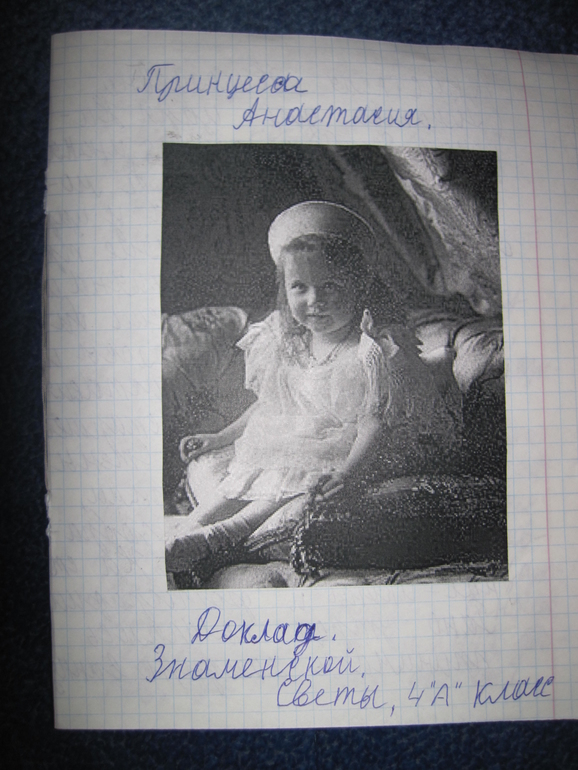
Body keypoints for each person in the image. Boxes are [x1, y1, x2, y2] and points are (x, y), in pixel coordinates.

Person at [165, 201, 446, 578]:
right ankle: (192, 525)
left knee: (293, 474)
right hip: (294, 435)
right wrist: (220, 437)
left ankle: (220, 534)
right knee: (248, 469)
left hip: (351, 442)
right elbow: (268, 407)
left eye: (330, 286)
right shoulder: (287, 341)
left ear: (359, 286)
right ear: (285, 290)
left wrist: (346, 474)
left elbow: (373, 421)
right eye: (300, 287)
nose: (315, 301)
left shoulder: (369, 350)